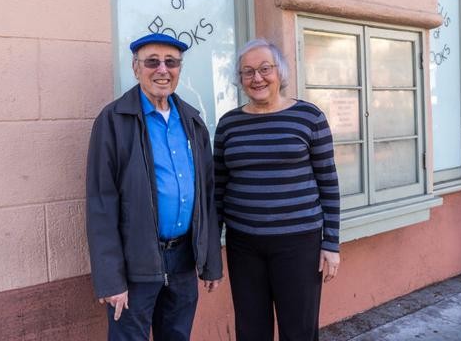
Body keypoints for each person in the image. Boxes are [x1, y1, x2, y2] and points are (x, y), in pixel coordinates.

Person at [86, 33, 223, 341]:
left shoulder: (192, 121)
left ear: (179, 69)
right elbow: (100, 205)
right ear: (136, 69)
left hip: (183, 260)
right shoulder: (113, 121)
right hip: (135, 264)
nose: (163, 69)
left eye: (171, 62)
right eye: (152, 62)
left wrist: (211, 261)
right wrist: (110, 280)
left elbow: (207, 195)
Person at [214, 39, 340, 341]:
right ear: (240, 79)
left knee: (298, 330)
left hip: (299, 244)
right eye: (248, 72)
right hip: (243, 245)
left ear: (279, 73)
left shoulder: (309, 117)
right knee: (251, 330)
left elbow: (329, 183)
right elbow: (217, 188)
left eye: (264, 69)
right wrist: (209, 250)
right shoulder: (228, 124)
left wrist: (331, 244)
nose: (257, 78)